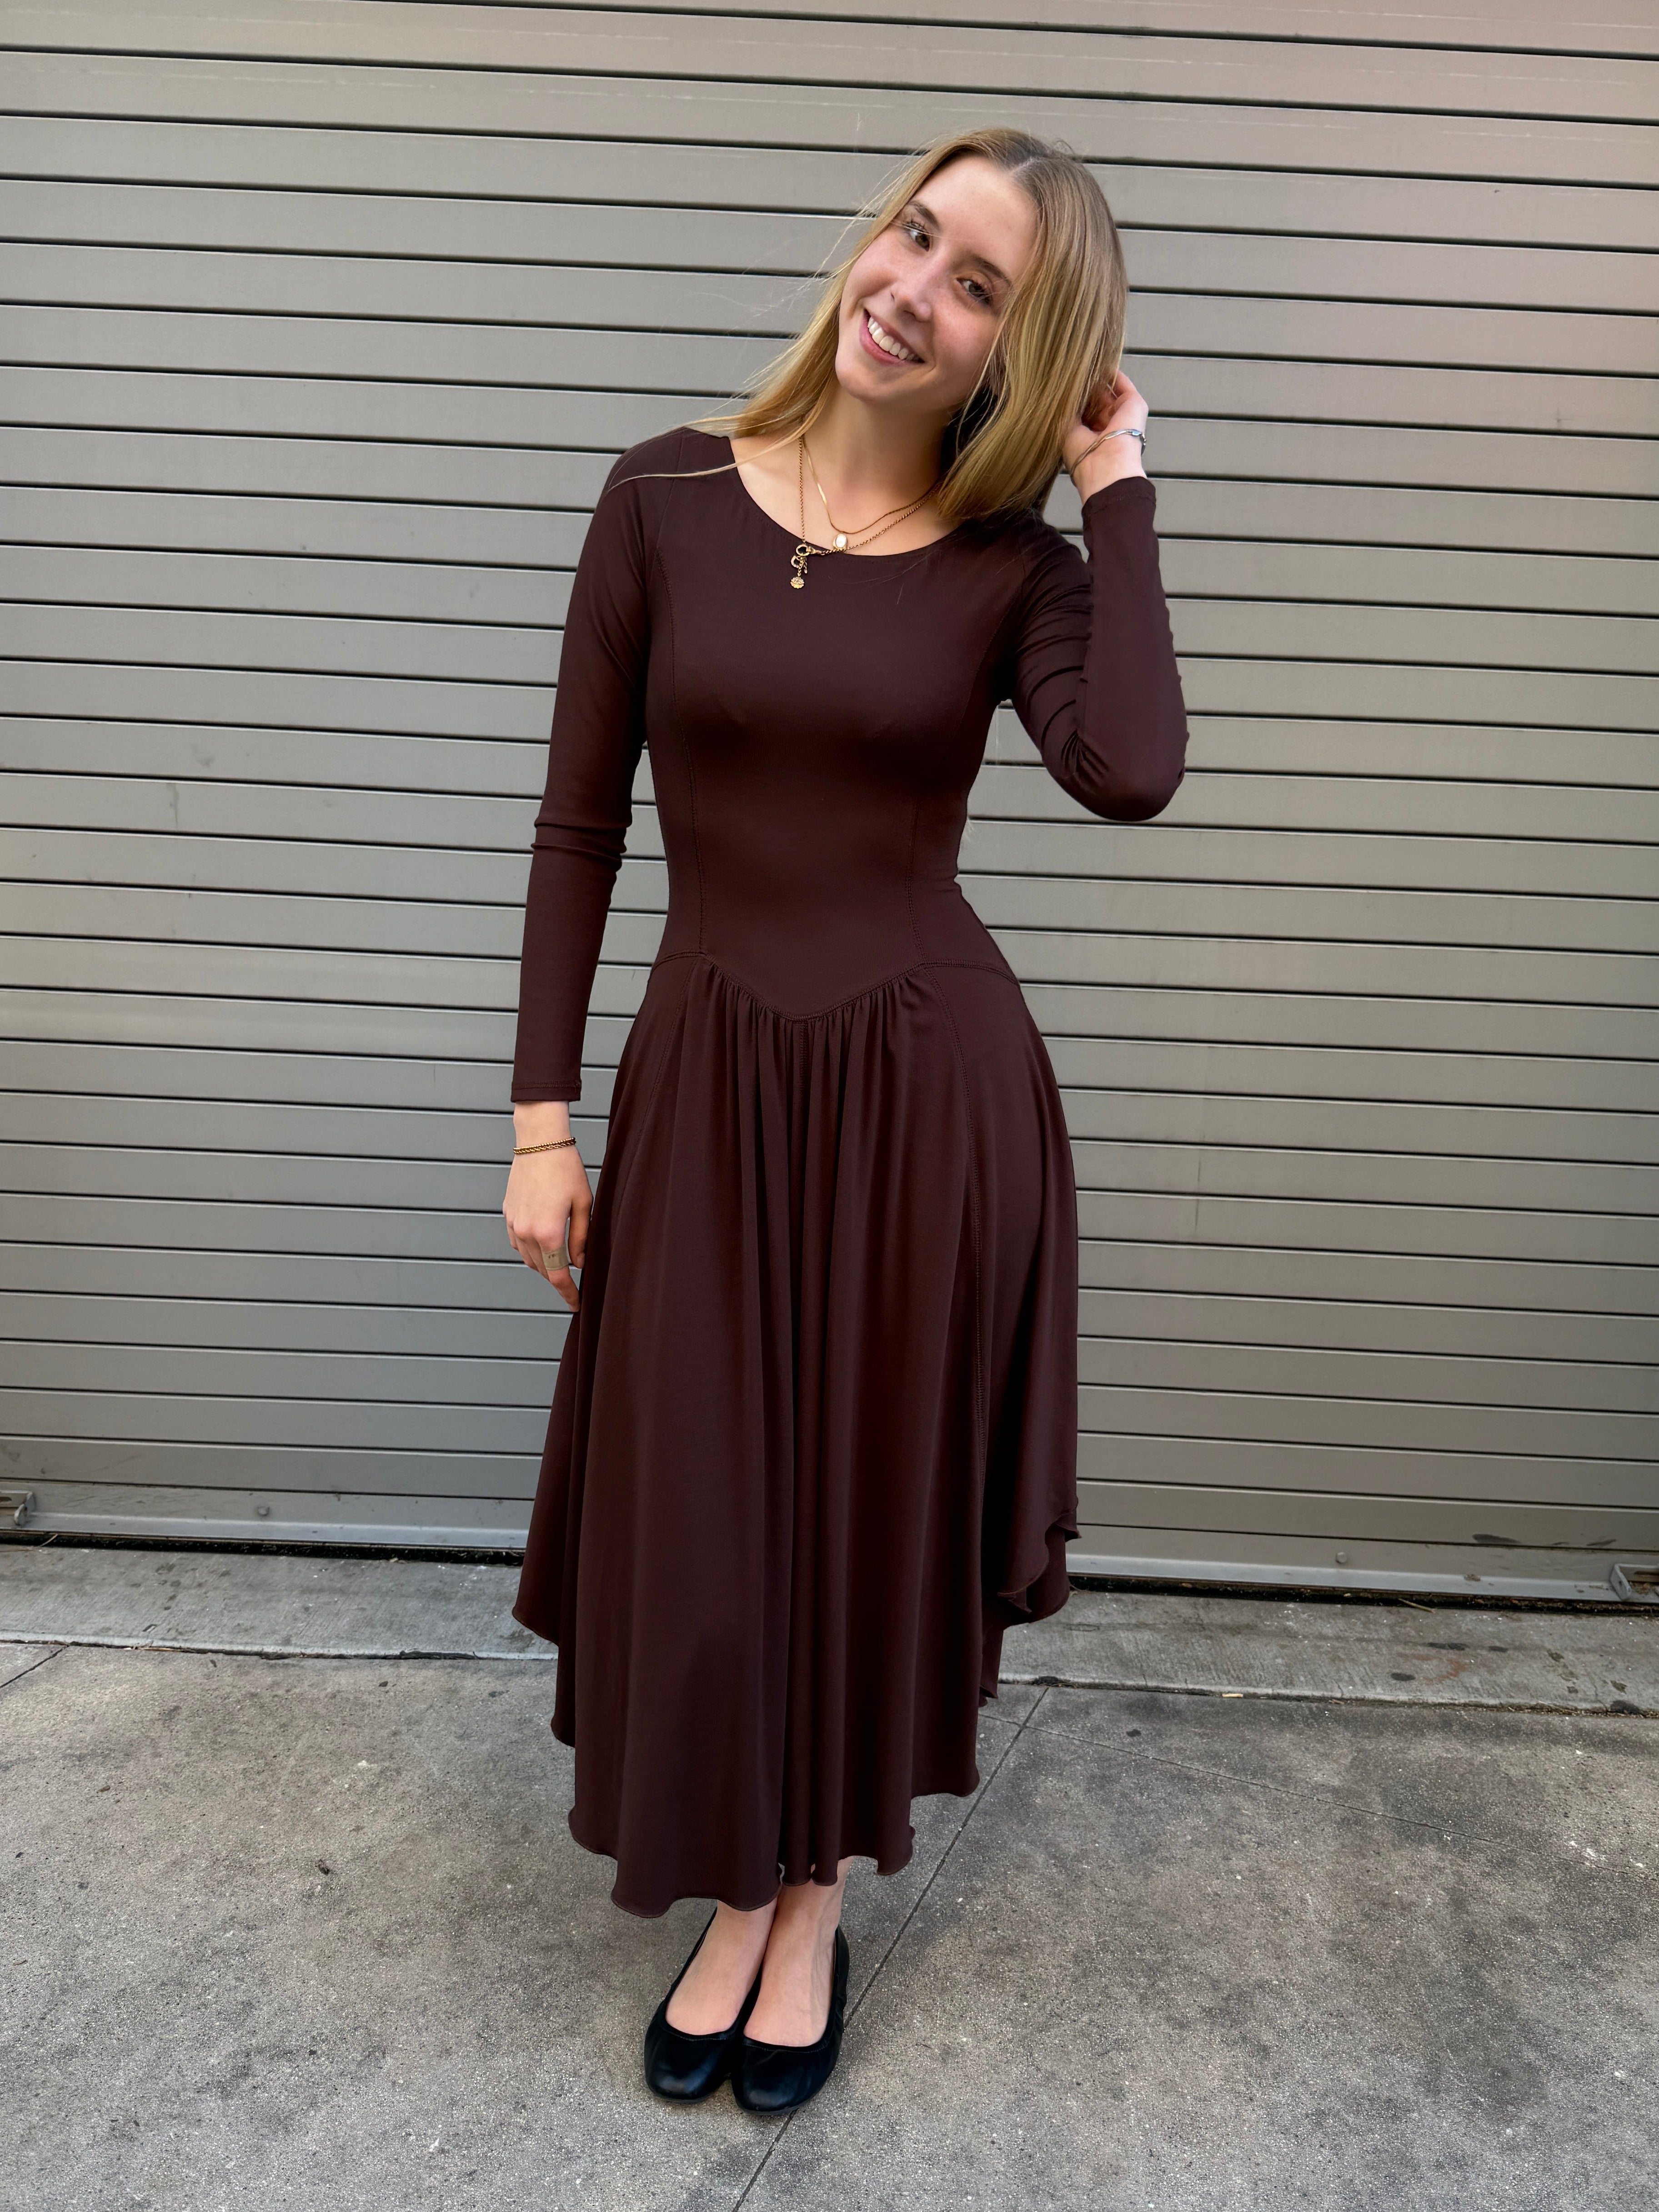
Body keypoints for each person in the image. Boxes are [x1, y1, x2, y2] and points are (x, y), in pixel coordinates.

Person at [501, 125, 1188, 2114]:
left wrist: (1113, 479)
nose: (916, 290)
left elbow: (1129, 766)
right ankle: (748, 1874)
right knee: (714, 1506)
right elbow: (575, 821)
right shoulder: (662, 494)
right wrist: (541, 1119)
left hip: (925, 1101)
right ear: (867, 238)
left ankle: (791, 1903)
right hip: (709, 1079)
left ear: (1018, 353)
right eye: (919, 236)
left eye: (983, 287)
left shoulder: (1013, 572)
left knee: (856, 1508)